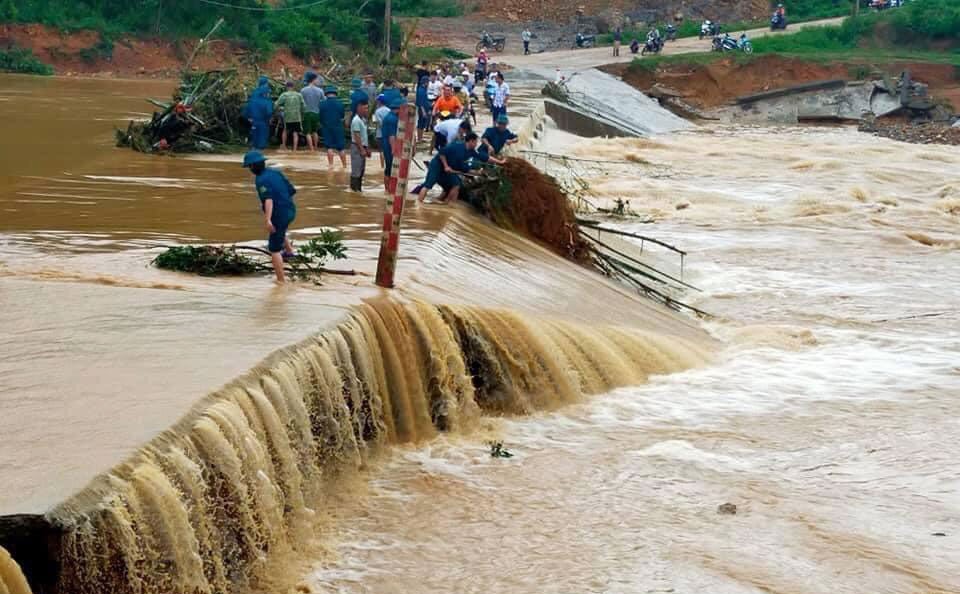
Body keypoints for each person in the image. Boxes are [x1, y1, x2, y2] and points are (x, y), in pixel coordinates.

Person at [243, 151, 297, 283]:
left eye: (249, 167)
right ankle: (289, 252)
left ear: (252, 167)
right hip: (291, 209)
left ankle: (281, 281)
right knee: (280, 230)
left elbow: (268, 200)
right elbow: (291, 190)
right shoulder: (276, 172)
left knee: (274, 249)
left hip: (279, 214)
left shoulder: (261, 180)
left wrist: (267, 220)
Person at [415, 133, 490, 204]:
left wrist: (498, 163)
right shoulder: (456, 146)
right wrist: (446, 166)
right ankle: (418, 204)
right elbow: (441, 153)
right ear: (471, 141)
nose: (476, 144)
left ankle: (449, 206)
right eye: (476, 142)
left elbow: (480, 160)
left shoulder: (471, 152)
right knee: (428, 185)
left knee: (456, 184)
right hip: (437, 165)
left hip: (448, 170)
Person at [318, 85, 347, 168]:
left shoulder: (322, 104)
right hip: (338, 127)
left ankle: (331, 165)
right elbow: (342, 116)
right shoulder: (340, 104)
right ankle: (344, 166)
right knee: (341, 148)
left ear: (326, 94)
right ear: (335, 94)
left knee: (329, 147)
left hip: (327, 127)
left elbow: (320, 117)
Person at [244, 76, 274, 150]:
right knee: (262, 139)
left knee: (255, 137)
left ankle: (253, 151)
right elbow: (269, 111)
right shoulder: (267, 99)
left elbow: (247, 107)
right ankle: (259, 154)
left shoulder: (254, 94)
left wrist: (248, 117)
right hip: (263, 121)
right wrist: (270, 118)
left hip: (254, 120)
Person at [275, 81, 306, 152]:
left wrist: (280, 109)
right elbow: (304, 106)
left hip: (287, 117)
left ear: (286, 87)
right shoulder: (299, 95)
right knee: (295, 133)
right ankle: (294, 150)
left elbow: (276, 104)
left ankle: (284, 146)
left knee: (285, 130)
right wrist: (302, 115)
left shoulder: (284, 95)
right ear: (293, 87)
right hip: (297, 117)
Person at [381, 95, 404, 184]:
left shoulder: (392, 117)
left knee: (390, 168)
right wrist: (394, 150)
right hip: (389, 147)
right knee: (389, 168)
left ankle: (389, 189)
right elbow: (392, 137)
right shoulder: (392, 119)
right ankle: (387, 189)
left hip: (388, 146)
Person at [350, 102, 372, 192]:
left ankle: (358, 190)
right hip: (357, 147)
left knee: (361, 170)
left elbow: (364, 136)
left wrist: (367, 148)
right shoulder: (356, 120)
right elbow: (357, 136)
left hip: (362, 146)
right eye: (365, 108)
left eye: (367, 108)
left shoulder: (363, 120)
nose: (367, 110)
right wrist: (362, 149)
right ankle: (354, 190)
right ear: (359, 108)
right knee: (356, 170)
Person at [300, 73, 323, 152]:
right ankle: (316, 147)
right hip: (316, 113)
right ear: (313, 80)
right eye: (316, 79)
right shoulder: (320, 90)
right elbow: (323, 101)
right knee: (315, 131)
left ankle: (311, 149)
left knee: (308, 132)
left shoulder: (303, 90)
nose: (317, 81)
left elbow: (301, 102)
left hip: (306, 113)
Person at [374, 94, 390, 167]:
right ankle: (388, 165)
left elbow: (379, 123)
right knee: (388, 151)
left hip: (380, 134)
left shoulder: (377, 112)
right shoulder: (389, 110)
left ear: (379, 102)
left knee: (381, 151)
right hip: (388, 134)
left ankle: (382, 166)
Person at [415, 77, 431, 143]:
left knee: (423, 123)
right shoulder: (421, 90)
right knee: (420, 123)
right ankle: (419, 138)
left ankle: (421, 138)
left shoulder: (424, 89)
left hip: (425, 109)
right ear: (425, 82)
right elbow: (421, 102)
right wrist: (423, 111)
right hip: (422, 109)